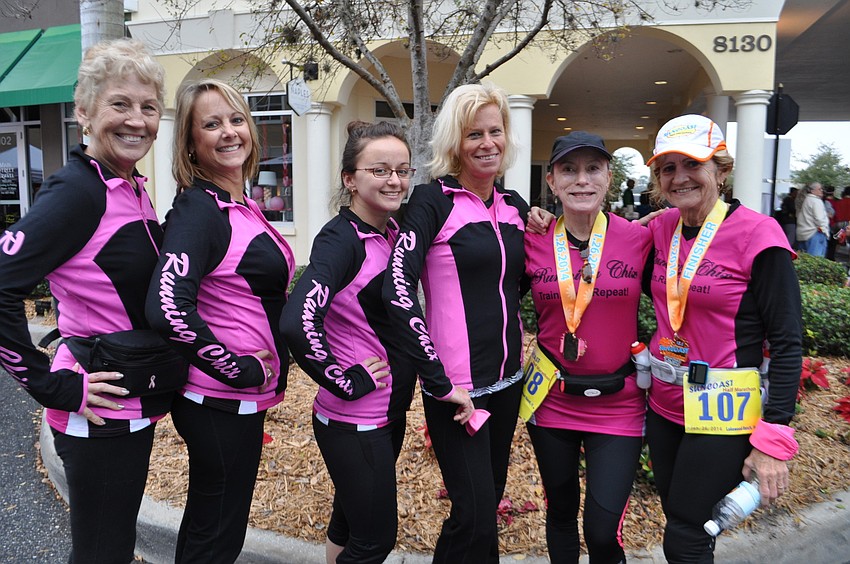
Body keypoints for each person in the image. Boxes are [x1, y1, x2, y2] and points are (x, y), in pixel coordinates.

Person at [0, 38, 173, 563]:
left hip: (130, 401)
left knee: (112, 547)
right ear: (83, 112)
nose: (136, 120)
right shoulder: (78, 191)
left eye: (148, 107)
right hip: (95, 412)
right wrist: (52, 386)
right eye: (120, 104)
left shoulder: (128, 185)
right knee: (102, 552)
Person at [145, 78, 295, 563]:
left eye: (235, 119)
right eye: (211, 124)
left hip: (236, 405)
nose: (229, 132)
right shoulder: (200, 209)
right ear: (191, 142)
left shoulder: (241, 205)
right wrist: (238, 368)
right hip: (219, 402)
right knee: (218, 537)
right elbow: (167, 306)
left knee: (211, 524)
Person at [381, 82, 530, 563]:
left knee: (486, 509)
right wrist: (437, 377)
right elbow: (397, 286)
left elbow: (516, 284)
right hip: (456, 389)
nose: (487, 143)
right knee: (472, 513)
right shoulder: (431, 201)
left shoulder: (515, 207)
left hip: (508, 382)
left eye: (495, 131)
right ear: (454, 143)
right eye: (473, 134)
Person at [644, 114, 802, 563]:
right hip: (665, 404)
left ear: (721, 170)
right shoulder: (659, 230)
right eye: (667, 168)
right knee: (680, 515)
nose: (679, 177)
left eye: (692, 164)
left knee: (686, 531)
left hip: (724, 410)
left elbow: (788, 343)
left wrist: (773, 439)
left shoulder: (759, 235)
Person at [281, 120, 417, 564]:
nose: (394, 179)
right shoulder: (342, 240)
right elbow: (297, 322)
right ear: (350, 179)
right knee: (374, 541)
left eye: (402, 170)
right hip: (356, 419)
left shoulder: (391, 232)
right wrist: (344, 378)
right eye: (379, 170)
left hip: (385, 415)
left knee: (348, 523)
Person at [522, 131, 652, 563]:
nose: (582, 180)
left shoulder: (638, 239)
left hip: (620, 405)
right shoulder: (531, 238)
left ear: (608, 178)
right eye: (569, 170)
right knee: (559, 514)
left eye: (593, 169)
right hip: (552, 401)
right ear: (553, 182)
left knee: (600, 532)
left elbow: (683, 299)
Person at [795, 182, 829, 257]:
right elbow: (819, 219)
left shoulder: (804, 200)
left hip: (802, 234)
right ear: (812, 191)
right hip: (815, 233)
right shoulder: (816, 201)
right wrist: (825, 231)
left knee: (804, 261)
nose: (822, 191)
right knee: (816, 262)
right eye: (820, 189)